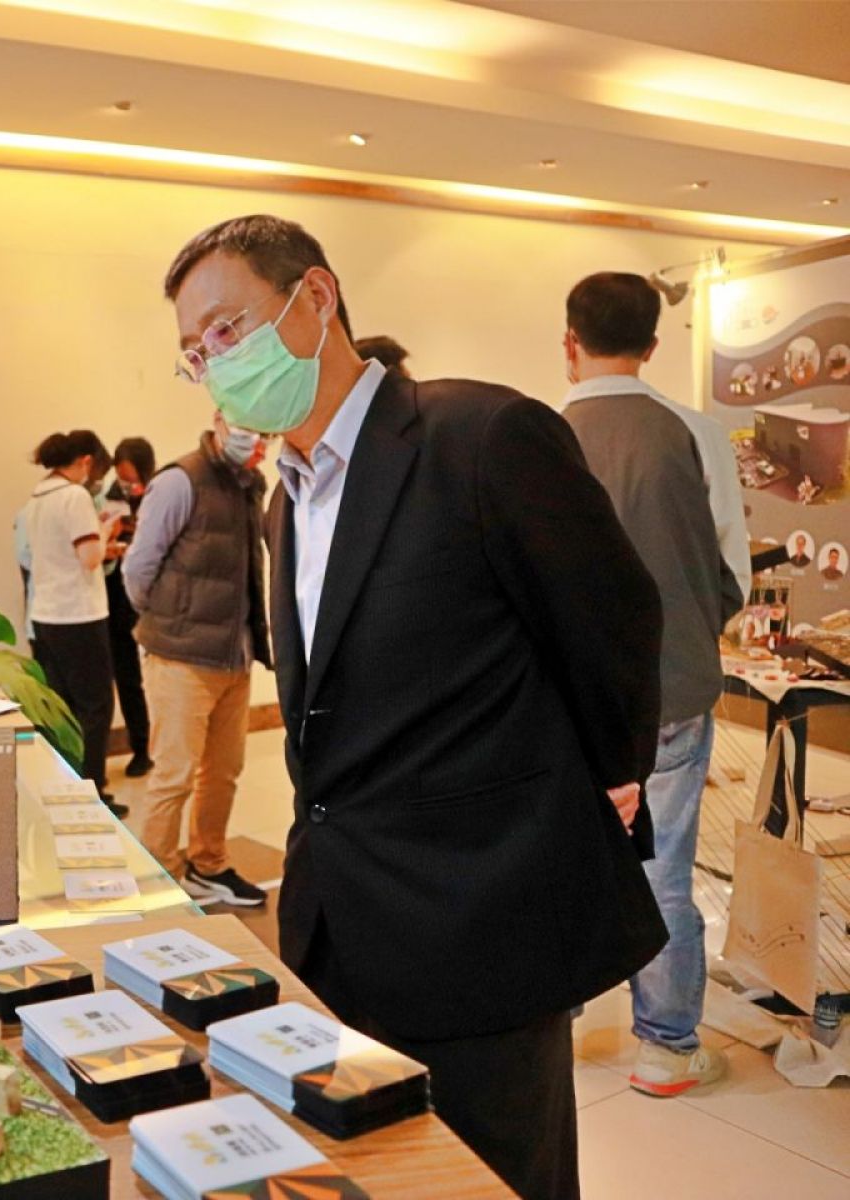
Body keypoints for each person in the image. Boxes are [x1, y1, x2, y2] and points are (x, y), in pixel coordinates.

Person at [162, 215, 666, 1200]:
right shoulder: (284, 502)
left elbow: (611, 620)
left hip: (480, 913)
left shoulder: (481, 437)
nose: (216, 364)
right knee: (378, 1171)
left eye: (227, 330)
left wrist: (607, 779)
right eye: (195, 353)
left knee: (496, 1178)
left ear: (315, 298)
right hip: (339, 921)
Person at [560, 270, 749, 1098]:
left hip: (564, 698)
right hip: (670, 691)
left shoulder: (537, 434)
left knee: (562, 858)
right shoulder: (696, 432)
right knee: (664, 867)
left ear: (570, 342)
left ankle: (551, 1025)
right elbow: (732, 571)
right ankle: (666, 1048)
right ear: (654, 344)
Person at [122, 415, 272, 907]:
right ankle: (160, 878)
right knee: (174, 775)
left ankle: (209, 863)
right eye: (249, 427)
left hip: (234, 656)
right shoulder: (180, 481)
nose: (259, 440)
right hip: (180, 657)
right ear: (219, 420)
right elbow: (138, 569)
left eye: (267, 432)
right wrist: (172, 621)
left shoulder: (250, 484)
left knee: (223, 772)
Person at [21, 430, 121, 809]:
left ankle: (64, 787)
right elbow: (90, 558)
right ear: (86, 462)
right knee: (95, 708)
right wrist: (105, 530)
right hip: (79, 615)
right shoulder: (74, 497)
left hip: (46, 615)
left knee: (62, 708)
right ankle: (92, 793)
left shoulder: (37, 498)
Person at [105, 437, 156, 778]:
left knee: (135, 680)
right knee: (119, 678)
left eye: (131, 477)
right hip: (109, 597)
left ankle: (143, 748)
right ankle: (134, 748)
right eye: (121, 477)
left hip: (142, 602)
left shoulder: (158, 494)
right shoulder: (107, 497)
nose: (125, 484)